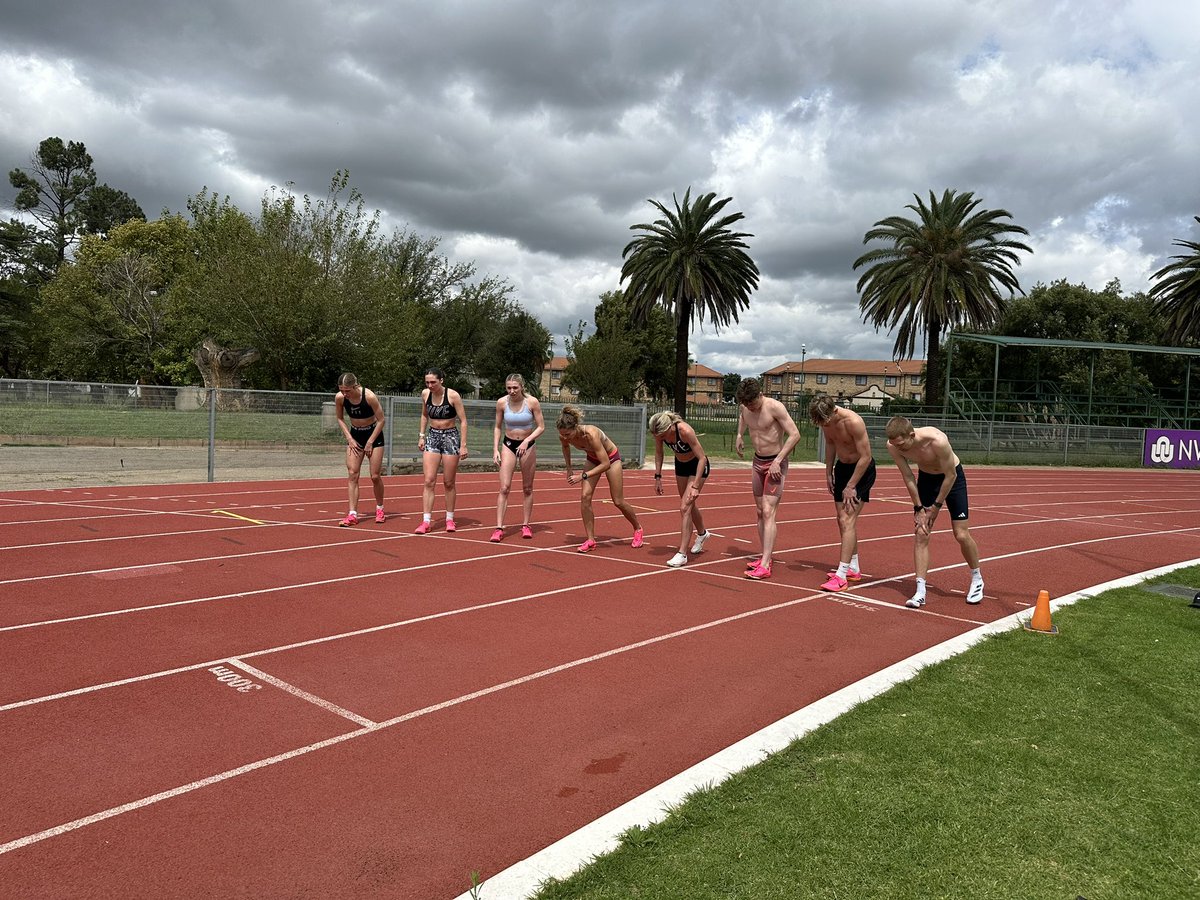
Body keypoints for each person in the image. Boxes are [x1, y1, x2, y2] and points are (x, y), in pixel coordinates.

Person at [885, 415, 984, 608]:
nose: (899, 449)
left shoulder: (937, 441)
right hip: (927, 480)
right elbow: (908, 476)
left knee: (961, 535)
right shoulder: (893, 446)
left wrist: (935, 508)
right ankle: (920, 591)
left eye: (902, 445)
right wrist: (919, 508)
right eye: (895, 445)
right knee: (921, 532)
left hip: (952, 478)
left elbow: (951, 475)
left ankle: (977, 579)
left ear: (912, 435)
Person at [734, 378, 801, 580]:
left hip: (775, 463)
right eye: (746, 404)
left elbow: (795, 434)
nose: (750, 408)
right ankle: (766, 556)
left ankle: (765, 564)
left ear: (760, 395)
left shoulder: (775, 407)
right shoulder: (745, 407)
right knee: (759, 512)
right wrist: (739, 435)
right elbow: (742, 418)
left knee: (768, 511)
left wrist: (778, 461)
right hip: (757, 462)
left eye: (752, 404)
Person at [809, 395, 876, 592]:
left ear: (834, 411)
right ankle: (853, 568)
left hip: (861, 471)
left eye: (824, 421)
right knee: (841, 519)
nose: (823, 425)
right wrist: (828, 472)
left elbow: (866, 456)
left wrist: (851, 485)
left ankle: (841, 575)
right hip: (842, 469)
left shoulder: (853, 422)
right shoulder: (825, 421)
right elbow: (831, 444)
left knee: (847, 520)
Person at [556, 405, 643, 553]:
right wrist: (569, 468)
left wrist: (582, 476)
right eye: (563, 435)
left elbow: (605, 464)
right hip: (592, 458)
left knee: (618, 500)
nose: (565, 438)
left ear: (576, 427)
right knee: (585, 496)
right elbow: (565, 448)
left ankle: (638, 528)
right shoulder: (563, 435)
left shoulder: (591, 434)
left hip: (610, 459)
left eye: (568, 434)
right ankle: (590, 540)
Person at [649, 411, 711, 568]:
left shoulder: (684, 431)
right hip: (681, 466)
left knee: (684, 507)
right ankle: (703, 534)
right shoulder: (659, 433)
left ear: (670, 427)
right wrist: (658, 477)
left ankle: (682, 554)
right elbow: (659, 453)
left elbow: (702, 458)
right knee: (689, 505)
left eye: (663, 435)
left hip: (697, 465)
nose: (661, 438)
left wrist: (696, 485)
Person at [491, 374, 545, 542]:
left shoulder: (532, 402)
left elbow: (541, 427)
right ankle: (499, 527)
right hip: (508, 445)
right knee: (504, 487)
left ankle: (526, 525)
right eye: (509, 388)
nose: (512, 391)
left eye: (515, 387)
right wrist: (495, 449)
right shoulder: (501, 403)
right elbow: (497, 427)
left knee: (527, 488)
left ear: (522, 386)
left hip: (527, 445)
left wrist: (527, 440)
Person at [415, 368, 468, 533]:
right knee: (429, 480)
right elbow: (424, 415)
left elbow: (464, 421)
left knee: (448, 482)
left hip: (450, 437)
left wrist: (463, 445)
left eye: (433, 382)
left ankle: (450, 519)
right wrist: (422, 436)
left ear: (441, 380)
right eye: (427, 382)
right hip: (433, 436)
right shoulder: (425, 394)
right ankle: (426, 521)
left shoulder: (453, 396)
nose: (430, 385)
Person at [334, 373, 387, 526]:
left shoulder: (369, 396)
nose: (345, 394)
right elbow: (340, 418)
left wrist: (370, 442)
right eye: (342, 390)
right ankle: (352, 514)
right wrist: (349, 438)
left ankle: (380, 508)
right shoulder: (340, 398)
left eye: (348, 391)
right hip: (355, 435)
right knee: (352, 473)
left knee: (375, 476)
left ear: (355, 386)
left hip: (373, 435)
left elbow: (382, 420)